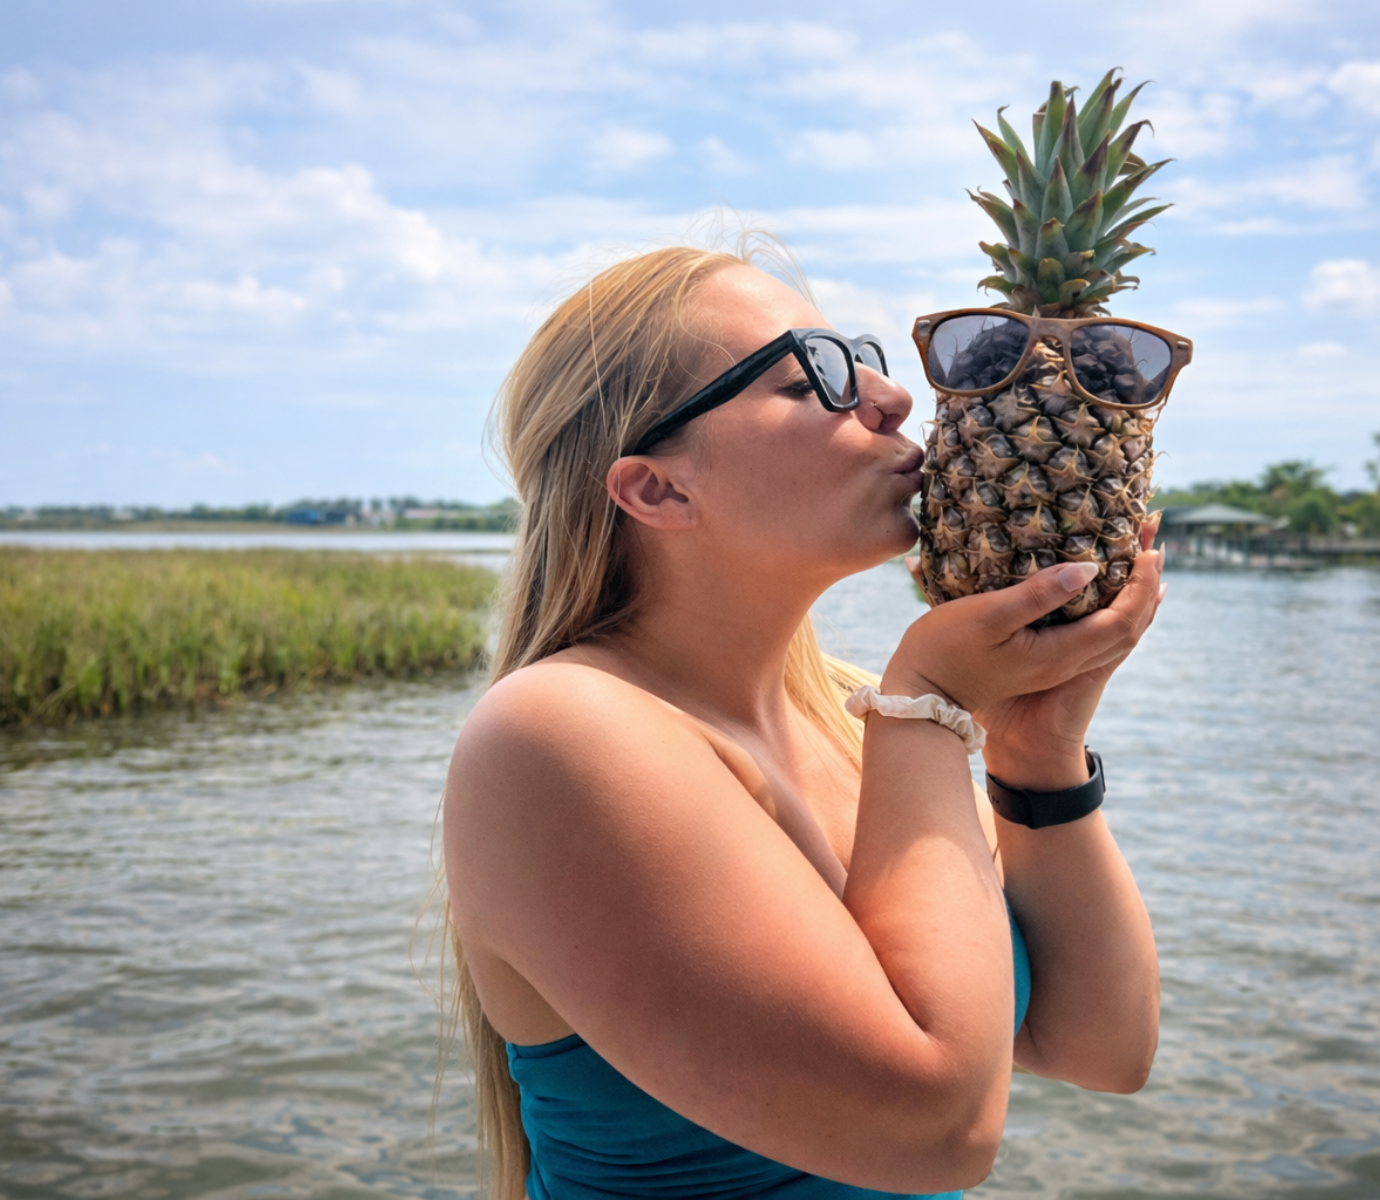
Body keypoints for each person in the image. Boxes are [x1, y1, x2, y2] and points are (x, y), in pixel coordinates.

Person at [440, 242, 1163, 1200]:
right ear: (658, 488)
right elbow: (936, 1131)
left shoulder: (855, 719)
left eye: (861, 354)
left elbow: (1099, 1045)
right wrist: (932, 706)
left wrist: (1038, 749)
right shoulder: (559, 736)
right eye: (812, 375)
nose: (891, 396)